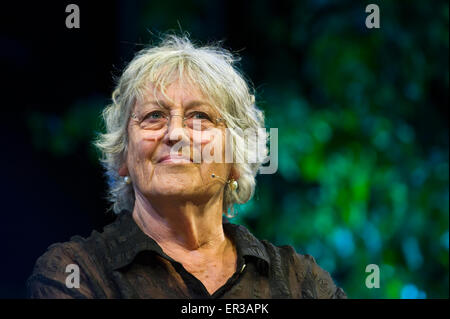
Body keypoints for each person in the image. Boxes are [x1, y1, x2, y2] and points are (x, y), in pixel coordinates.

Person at [26, 34, 347, 299]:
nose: (175, 133)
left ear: (236, 159)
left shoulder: (300, 281)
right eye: (154, 116)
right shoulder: (75, 274)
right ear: (123, 157)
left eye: (200, 117)